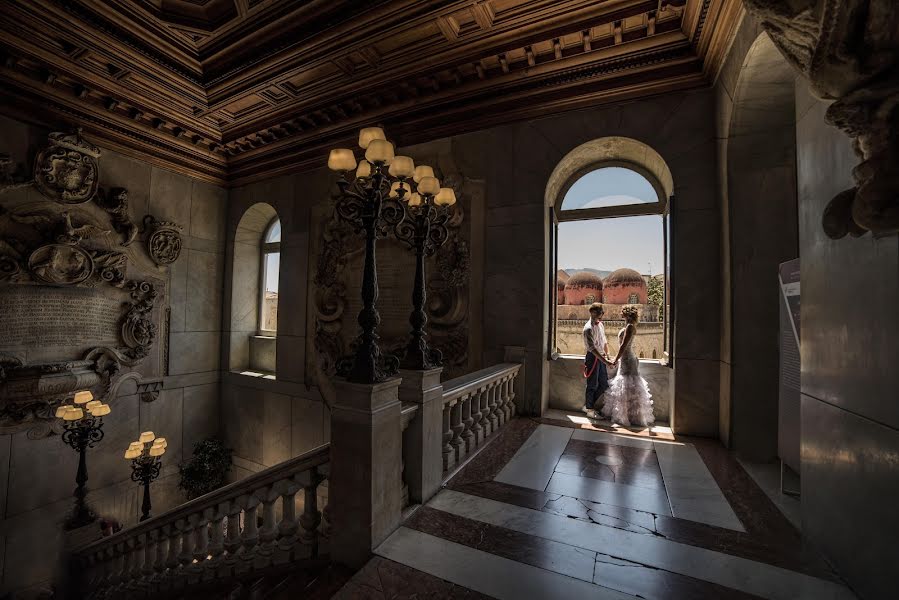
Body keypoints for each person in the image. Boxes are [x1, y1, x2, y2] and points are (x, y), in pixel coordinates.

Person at [600, 305, 654, 427]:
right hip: (626, 358)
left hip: (627, 359)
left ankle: (628, 416)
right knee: (625, 387)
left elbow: (623, 346)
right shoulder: (629, 326)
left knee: (627, 386)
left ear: (627, 314)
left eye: (622, 311)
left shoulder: (629, 327)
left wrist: (615, 359)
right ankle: (627, 415)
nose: (620, 313)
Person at [582, 302, 615, 418]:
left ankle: (588, 405)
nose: (602, 314)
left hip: (601, 357)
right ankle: (590, 410)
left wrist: (608, 356)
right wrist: (606, 361)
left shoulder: (600, 325)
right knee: (592, 384)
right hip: (593, 358)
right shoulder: (588, 329)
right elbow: (592, 349)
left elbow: (604, 341)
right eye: (600, 312)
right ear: (592, 312)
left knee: (604, 384)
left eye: (602, 312)